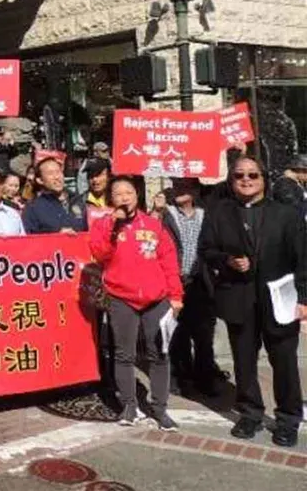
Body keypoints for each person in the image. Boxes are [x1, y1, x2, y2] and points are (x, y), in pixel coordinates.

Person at [198, 156, 307, 447]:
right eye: (239, 175)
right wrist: (228, 261)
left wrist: (305, 298)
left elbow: (303, 259)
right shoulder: (219, 212)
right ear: (231, 181)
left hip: (280, 300)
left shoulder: (287, 214)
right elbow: (206, 250)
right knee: (244, 362)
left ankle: (287, 419)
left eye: (253, 175)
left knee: (284, 363)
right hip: (239, 297)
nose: (246, 180)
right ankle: (250, 413)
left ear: (264, 179)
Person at [89, 176, 183, 430]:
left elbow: (169, 262)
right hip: (122, 298)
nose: (124, 197)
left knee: (159, 354)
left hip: (157, 299)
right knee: (124, 354)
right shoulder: (102, 225)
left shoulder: (153, 224)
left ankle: (160, 408)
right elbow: (100, 254)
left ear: (137, 196)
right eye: (118, 193)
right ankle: (129, 406)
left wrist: (176, 296)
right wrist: (113, 226)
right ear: (111, 199)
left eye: (128, 192)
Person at [165, 178, 219, 395]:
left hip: (200, 281)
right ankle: (182, 377)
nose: (179, 190)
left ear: (196, 191)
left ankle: (205, 377)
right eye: (177, 186)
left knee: (204, 333)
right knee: (178, 333)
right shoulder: (165, 215)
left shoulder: (207, 215)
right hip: (174, 281)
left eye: (185, 186)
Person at [22, 158, 86, 234]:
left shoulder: (77, 200)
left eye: (58, 172)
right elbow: (29, 240)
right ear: (40, 180)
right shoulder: (33, 207)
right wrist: (56, 238)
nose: (56, 177)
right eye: (50, 173)